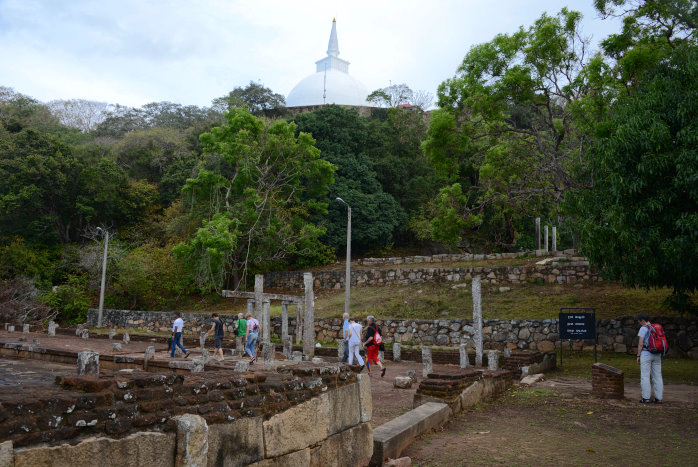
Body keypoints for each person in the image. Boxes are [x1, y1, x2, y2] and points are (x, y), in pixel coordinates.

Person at [636, 313, 663, 403]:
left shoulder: (643, 329)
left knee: (645, 376)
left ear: (643, 320)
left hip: (646, 354)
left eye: (639, 321)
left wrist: (638, 355)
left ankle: (646, 398)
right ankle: (658, 398)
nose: (639, 323)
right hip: (657, 355)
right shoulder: (656, 327)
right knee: (657, 376)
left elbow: (641, 343)